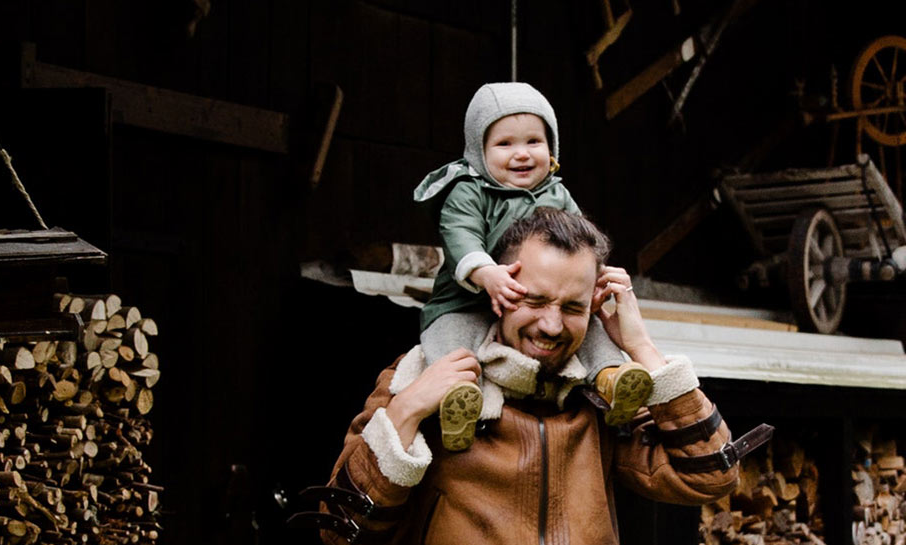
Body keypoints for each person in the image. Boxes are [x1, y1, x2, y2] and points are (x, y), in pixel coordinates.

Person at [321, 208, 758, 544]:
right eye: (534, 301)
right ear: (500, 292)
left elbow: (712, 476)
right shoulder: (424, 374)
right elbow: (339, 531)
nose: (551, 325)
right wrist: (406, 412)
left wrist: (641, 347)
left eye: (571, 307)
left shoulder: (603, 398)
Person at [411, 82, 651, 452]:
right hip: (467, 298)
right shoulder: (468, 190)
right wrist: (485, 272)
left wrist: (593, 279)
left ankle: (611, 378)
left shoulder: (557, 194)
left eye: (533, 142)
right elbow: (460, 235)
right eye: (505, 144)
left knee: (589, 328)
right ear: (479, 151)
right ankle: (457, 399)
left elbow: (580, 244)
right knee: (449, 341)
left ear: (552, 150)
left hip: (532, 301)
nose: (521, 155)